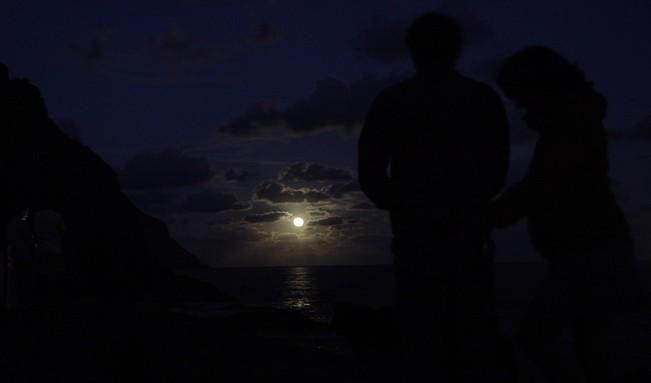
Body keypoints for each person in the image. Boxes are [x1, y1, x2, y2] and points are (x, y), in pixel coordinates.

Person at [358, 12, 511, 382]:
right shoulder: (482, 99)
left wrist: (407, 203)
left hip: (418, 242)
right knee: (471, 343)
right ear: (457, 49)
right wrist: (461, 201)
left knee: (423, 342)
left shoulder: (393, 101)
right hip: (466, 238)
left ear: (412, 50)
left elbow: (371, 175)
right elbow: (496, 175)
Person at [494, 46, 643, 383]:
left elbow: (545, 185)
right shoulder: (576, 120)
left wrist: (489, 215)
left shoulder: (570, 126)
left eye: (520, 96)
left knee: (537, 337)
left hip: (590, 251)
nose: (520, 107)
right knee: (589, 345)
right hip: (594, 248)